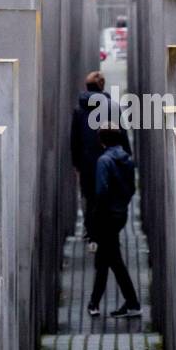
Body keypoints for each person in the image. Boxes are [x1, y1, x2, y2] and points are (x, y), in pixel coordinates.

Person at [87, 126, 141, 319]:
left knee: (113, 261)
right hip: (120, 215)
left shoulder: (104, 161)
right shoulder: (127, 159)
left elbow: (101, 192)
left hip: (106, 216)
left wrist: (95, 220)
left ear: (102, 141)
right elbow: (133, 189)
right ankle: (94, 303)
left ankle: (132, 303)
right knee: (105, 259)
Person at [70, 71, 129, 242]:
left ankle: (91, 232)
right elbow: (122, 134)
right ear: (102, 86)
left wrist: (76, 163)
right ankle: (107, 233)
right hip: (110, 159)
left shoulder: (79, 110)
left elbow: (74, 139)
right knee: (108, 194)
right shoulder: (112, 106)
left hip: (86, 162)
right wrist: (127, 157)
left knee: (89, 196)